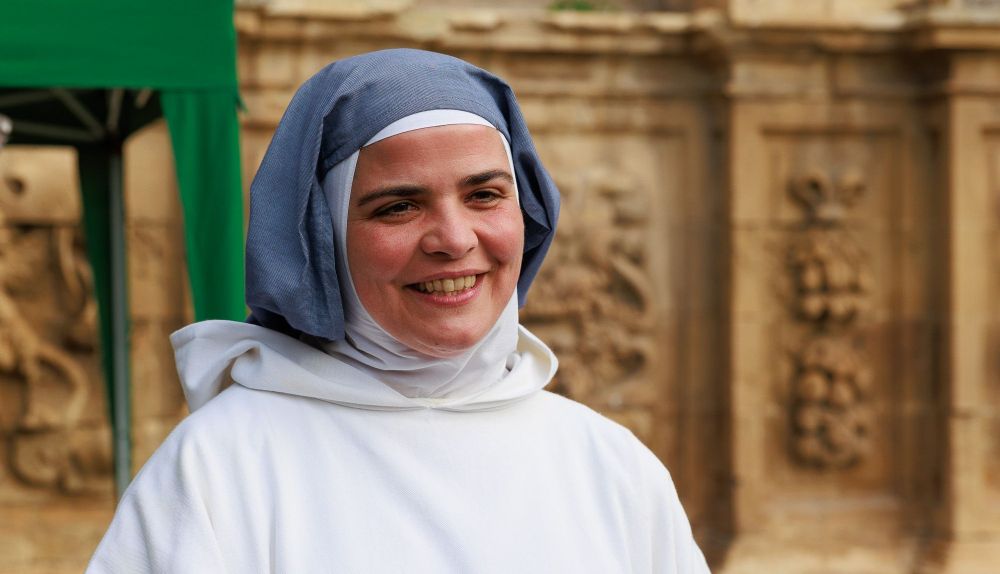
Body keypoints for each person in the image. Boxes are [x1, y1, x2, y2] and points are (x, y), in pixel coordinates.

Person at [86, 49, 709, 573]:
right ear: (322, 239)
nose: (453, 239)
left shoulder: (609, 466)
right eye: (398, 207)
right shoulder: (219, 470)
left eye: (485, 195)